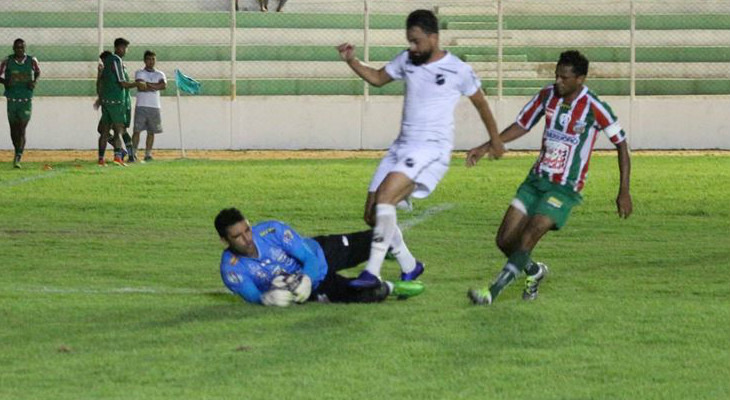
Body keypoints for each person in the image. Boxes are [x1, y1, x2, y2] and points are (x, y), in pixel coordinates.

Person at [336, 9, 504, 288]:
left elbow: (481, 104)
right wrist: (351, 60)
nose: (412, 47)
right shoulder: (407, 59)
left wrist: (495, 140)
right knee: (371, 214)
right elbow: (378, 78)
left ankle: (372, 273)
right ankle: (410, 266)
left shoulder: (458, 69)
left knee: (386, 197)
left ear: (433, 38)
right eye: (409, 41)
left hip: (431, 149)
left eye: (416, 41)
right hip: (401, 147)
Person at [466, 50, 633, 305]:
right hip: (535, 182)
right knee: (504, 241)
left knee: (528, 236)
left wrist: (623, 190)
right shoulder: (547, 95)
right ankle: (534, 271)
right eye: (557, 75)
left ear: (581, 79)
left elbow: (621, 144)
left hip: (564, 189)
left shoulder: (595, 107)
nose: (558, 81)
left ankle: (492, 292)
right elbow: (522, 124)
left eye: (564, 78)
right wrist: (488, 145)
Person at [214, 208, 425, 307]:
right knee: (363, 294)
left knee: (376, 238)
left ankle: (397, 257)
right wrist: (266, 299)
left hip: (321, 252)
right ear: (225, 240)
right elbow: (252, 296)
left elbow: (308, 258)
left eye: (247, 231)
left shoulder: (272, 231)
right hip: (315, 288)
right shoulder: (231, 270)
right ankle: (393, 287)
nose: (246, 239)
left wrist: (306, 278)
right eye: (237, 237)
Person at [95, 38, 144, 167]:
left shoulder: (106, 65)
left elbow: (101, 84)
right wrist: (137, 84)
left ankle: (101, 159)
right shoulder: (117, 60)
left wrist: (100, 99)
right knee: (119, 130)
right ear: (119, 48)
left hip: (107, 101)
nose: (126, 51)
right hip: (117, 101)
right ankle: (121, 157)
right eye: (125, 48)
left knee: (104, 131)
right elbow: (122, 83)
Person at [0, 38, 40, 169]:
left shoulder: (31, 60)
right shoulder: (7, 61)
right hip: (12, 100)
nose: (19, 50)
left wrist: (34, 81)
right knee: (14, 129)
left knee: (21, 129)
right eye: (17, 48)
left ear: (25, 48)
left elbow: (38, 72)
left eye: (22, 48)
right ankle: (17, 151)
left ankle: (18, 156)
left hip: (25, 100)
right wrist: (5, 82)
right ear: (13, 48)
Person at [132, 50, 166, 162]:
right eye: (149, 59)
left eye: (153, 59)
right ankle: (133, 153)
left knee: (151, 132)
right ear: (144, 60)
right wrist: (155, 86)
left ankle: (148, 154)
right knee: (137, 130)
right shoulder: (140, 72)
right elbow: (141, 86)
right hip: (141, 105)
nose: (151, 61)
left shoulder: (160, 74)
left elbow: (163, 85)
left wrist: (148, 85)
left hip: (154, 106)